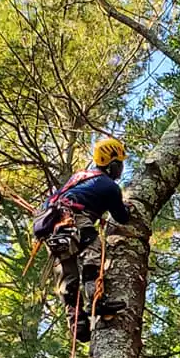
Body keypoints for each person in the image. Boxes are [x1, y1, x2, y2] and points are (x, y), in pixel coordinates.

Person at [47, 137, 130, 342]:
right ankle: (96, 301)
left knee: (68, 277)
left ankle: (77, 324)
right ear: (111, 165)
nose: (121, 169)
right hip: (76, 220)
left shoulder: (79, 177)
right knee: (93, 254)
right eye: (119, 164)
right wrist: (127, 207)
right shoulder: (109, 186)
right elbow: (122, 217)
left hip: (53, 226)